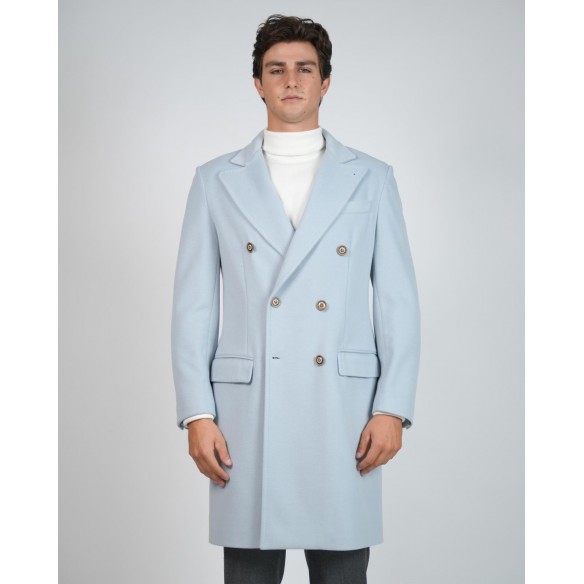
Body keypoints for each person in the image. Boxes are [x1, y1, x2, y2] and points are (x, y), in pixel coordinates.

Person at [171, 14, 421, 584]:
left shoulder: (372, 178)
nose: (290, 80)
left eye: (304, 69)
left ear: (325, 82)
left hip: (343, 408)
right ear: (257, 83)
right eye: (276, 69)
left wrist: (392, 408)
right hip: (246, 409)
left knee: (342, 572)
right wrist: (197, 413)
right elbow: (193, 306)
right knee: (249, 573)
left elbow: (398, 303)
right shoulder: (215, 180)